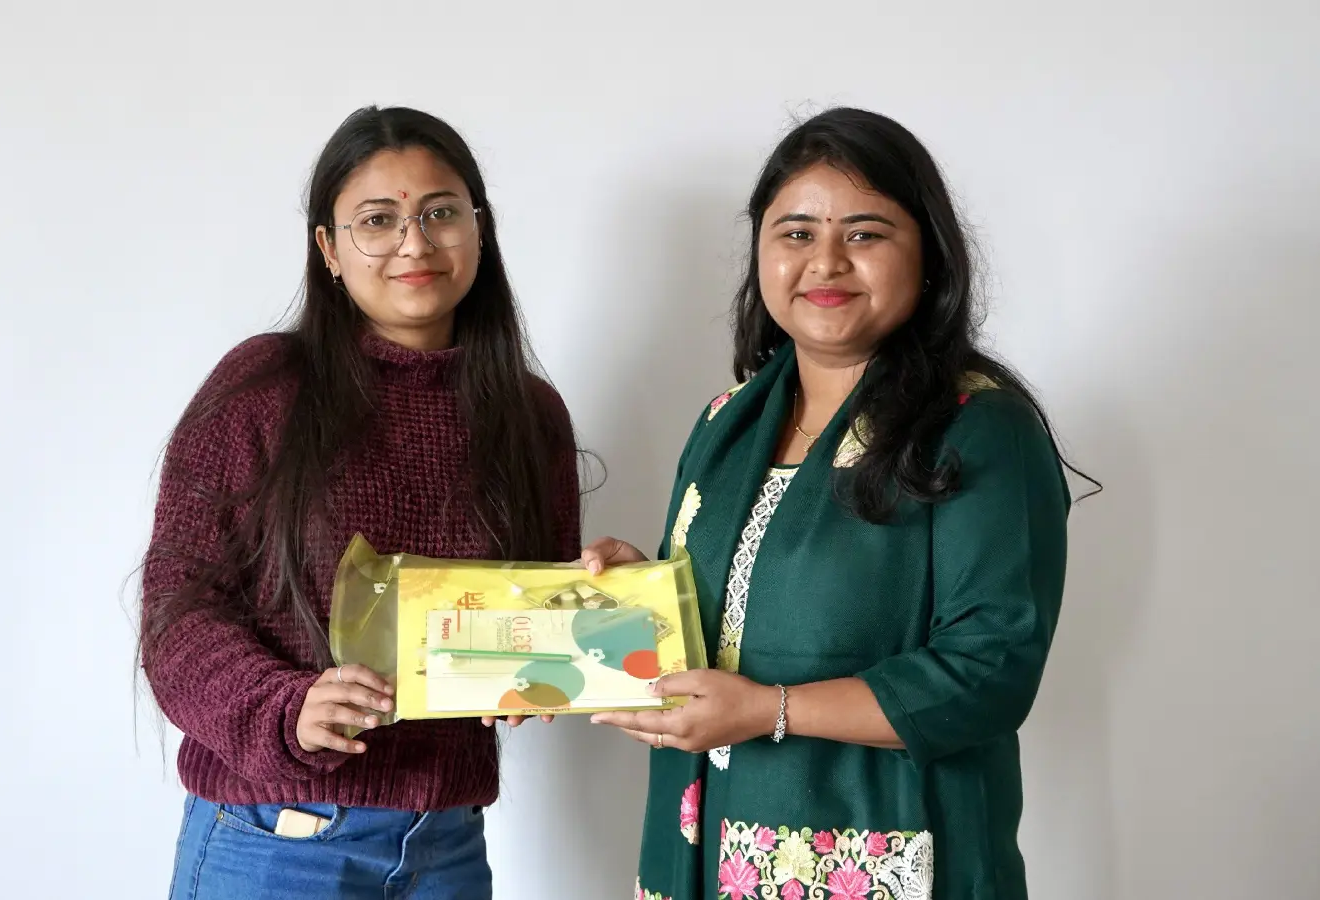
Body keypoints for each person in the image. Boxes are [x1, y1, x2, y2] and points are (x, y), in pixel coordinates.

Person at [583, 108, 1090, 900]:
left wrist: (770, 710)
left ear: (928, 254)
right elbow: (735, 622)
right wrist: (635, 596)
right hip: (703, 851)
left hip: (885, 859)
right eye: (796, 233)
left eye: (865, 234)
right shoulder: (727, 422)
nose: (825, 261)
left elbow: (989, 671)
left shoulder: (979, 429)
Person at [139, 106, 579, 900]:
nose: (415, 244)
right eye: (378, 221)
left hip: (447, 844)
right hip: (276, 841)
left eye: (441, 214)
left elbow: (532, 625)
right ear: (329, 249)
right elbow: (178, 613)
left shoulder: (529, 415)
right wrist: (286, 710)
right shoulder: (262, 388)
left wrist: (593, 601)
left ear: (480, 229)